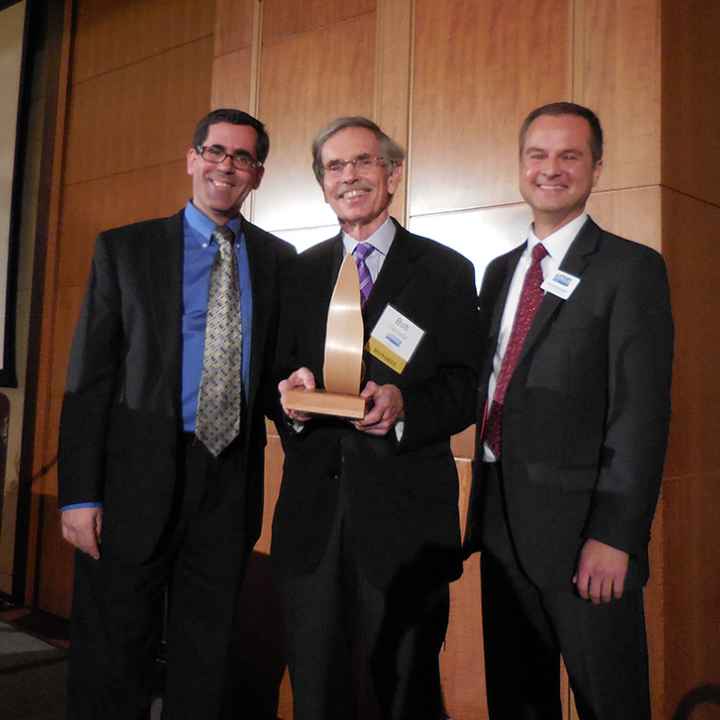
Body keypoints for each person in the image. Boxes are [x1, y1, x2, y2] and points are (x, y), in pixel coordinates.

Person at [58, 108, 295, 720]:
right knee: (115, 652)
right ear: (192, 158)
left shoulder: (279, 260)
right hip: (132, 480)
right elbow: (89, 381)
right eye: (216, 151)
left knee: (207, 651)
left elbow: (278, 371)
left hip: (228, 476)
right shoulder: (124, 249)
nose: (227, 166)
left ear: (258, 175)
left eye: (242, 158)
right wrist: (78, 496)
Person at [464, 102, 673, 719]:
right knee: (518, 701)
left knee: (610, 703)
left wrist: (616, 534)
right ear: (520, 165)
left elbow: (641, 414)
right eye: (538, 155)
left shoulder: (630, 269)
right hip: (500, 521)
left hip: (586, 536)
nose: (550, 169)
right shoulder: (501, 272)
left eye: (569, 156)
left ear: (596, 168)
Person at [272, 116, 478, 719]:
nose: (350, 176)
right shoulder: (298, 272)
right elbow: (270, 379)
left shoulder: (444, 270)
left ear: (392, 173)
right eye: (335, 167)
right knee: (317, 691)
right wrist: (293, 397)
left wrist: (405, 406)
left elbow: (468, 387)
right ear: (321, 183)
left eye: (364, 162)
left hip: (405, 522)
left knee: (405, 692)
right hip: (312, 522)